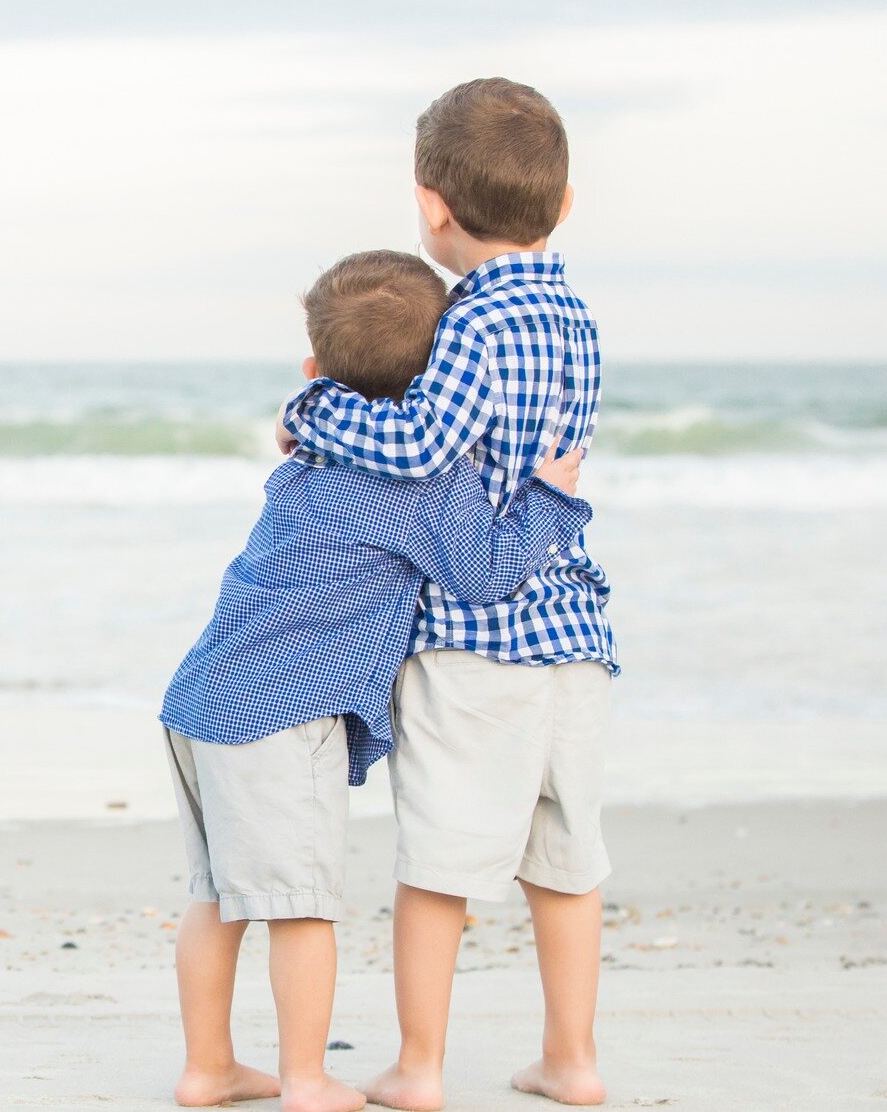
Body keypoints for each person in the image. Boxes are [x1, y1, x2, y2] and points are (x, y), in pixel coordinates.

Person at [162, 247, 593, 1112]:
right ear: (440, 379)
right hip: (282, 714)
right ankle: (307, 1079)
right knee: (300, 907)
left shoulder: (311, 449)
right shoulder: (421, 485)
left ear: (314, 370)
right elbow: (485, 571)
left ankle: (209, 1065)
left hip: (202, 696)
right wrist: (550, 496)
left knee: (219, 895)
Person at [280, 78, 615, 1109]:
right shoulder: (577, 318)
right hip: (572, 629)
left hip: (476, 637)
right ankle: (571, 1058)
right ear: (563, 204)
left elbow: (424, 442)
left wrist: (315, 417)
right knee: (562, 858)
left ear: (428, 206)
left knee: (436, 861)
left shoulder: (471, 322)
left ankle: (418, 1065)